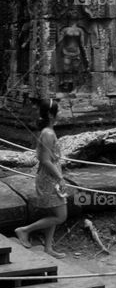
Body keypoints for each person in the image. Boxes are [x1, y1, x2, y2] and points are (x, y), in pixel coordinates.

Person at [15, 99, 67, 258]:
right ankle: (25, 230)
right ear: (51, 115)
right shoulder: (48, 134)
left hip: (51, 176)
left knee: (54, 213)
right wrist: (60, 178)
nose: (60, 113)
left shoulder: (49, 131)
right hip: (49, 178)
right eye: (58, 111)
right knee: (60, 216)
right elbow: (44, 160)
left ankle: (48, 248)